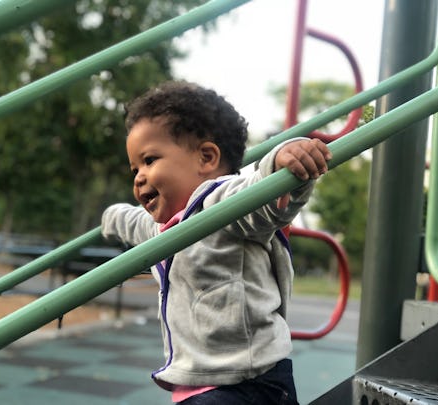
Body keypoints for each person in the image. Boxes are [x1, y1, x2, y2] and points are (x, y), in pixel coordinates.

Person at [101, 81, 331, 404]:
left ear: (206, 158)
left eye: (150, 160)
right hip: (197, 383)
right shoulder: (161, 230)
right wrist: (108, 219)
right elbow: (130, 222)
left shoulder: (223, 203)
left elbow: (262, 197)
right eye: (134, 168)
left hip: (249, 381)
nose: (138, 177)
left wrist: (282, 163)